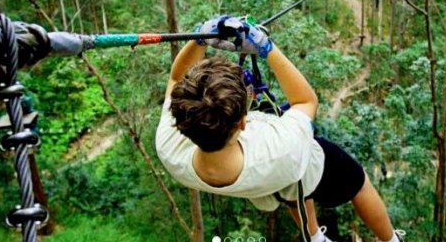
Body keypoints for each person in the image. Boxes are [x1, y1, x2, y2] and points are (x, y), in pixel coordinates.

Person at [155, 16, 404, 242]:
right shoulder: (282, 147)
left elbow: (177, 79)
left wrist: (198, 39)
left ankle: (315, 237)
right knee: (357, 180)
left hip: (265, 185)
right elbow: (306, 101)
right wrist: (266, 47)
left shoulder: (170, 147)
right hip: (288, 168)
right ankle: (391, 240)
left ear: (181, 122)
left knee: (289, 189)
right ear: (243, 122)